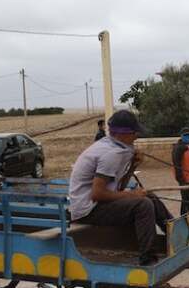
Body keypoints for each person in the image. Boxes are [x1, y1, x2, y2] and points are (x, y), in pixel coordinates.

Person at [69, 110, 173, 266]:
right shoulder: (112, 153)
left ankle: (178, 236)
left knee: (148, 196)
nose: (136, 136)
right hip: (87, 210)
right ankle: (148, 258)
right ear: (122, 134)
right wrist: (132, 195)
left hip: (94, 203)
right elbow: (97, 194)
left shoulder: (114, 146)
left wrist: (133, 165)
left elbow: (117, 188)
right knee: (143, 205)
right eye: (134, 133)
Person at [172, 127, 189, 223]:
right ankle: (184, 220)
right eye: (186, 135)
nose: (188, 137)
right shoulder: (178, 148)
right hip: (183, 179)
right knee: (185, 200)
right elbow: (177, 165)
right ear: (182, 136)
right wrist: (181, 179)